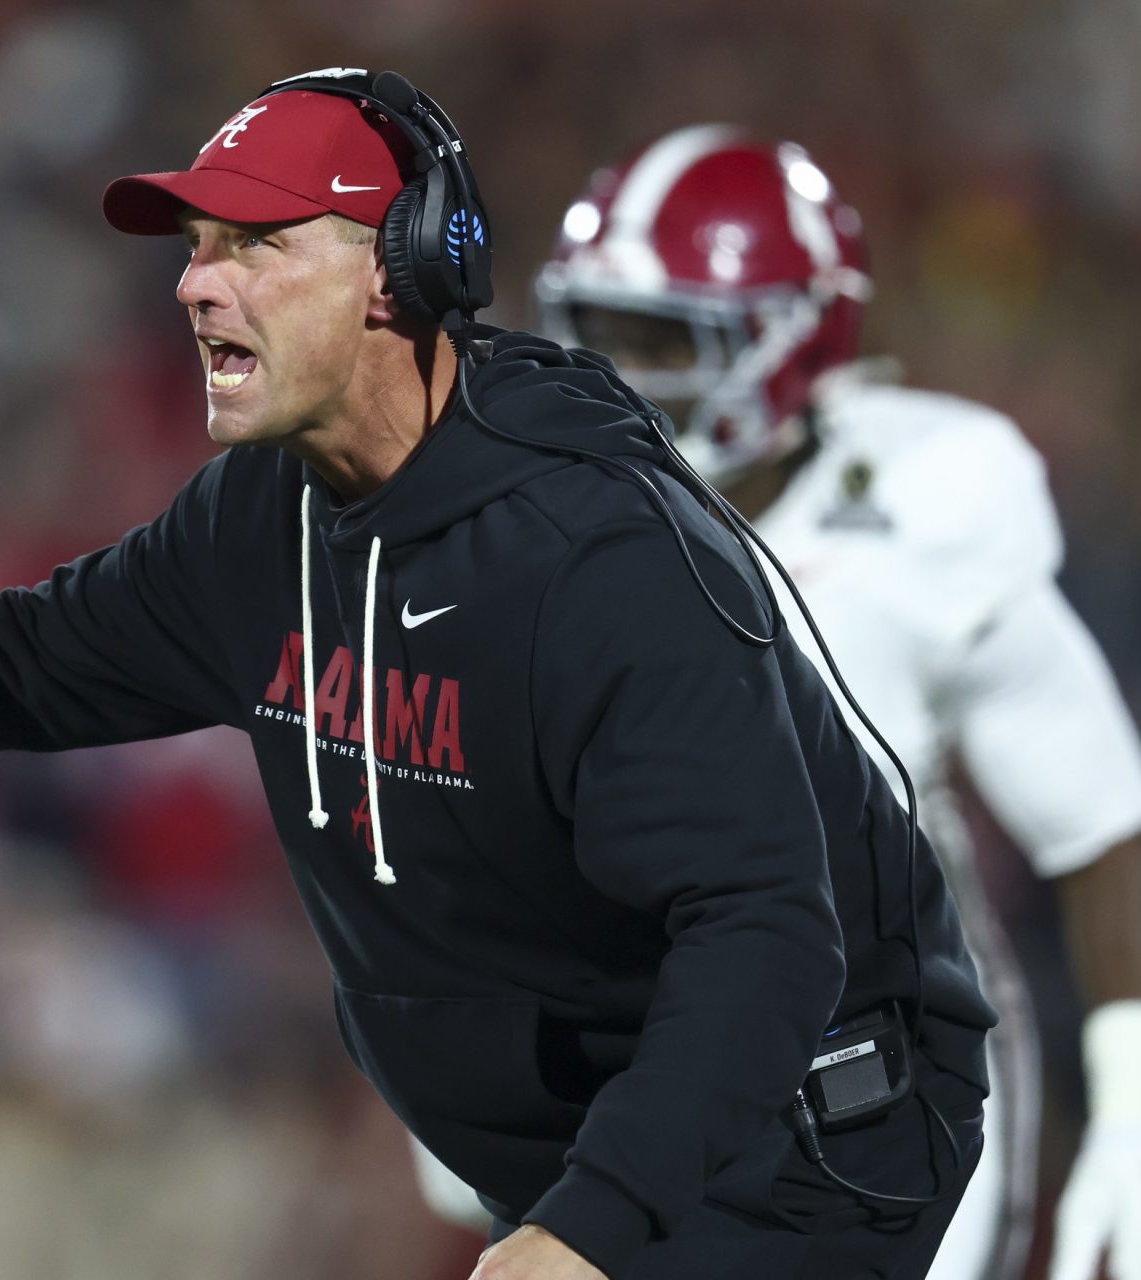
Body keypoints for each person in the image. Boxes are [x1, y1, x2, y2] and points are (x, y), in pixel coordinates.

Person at [0, 75, 994, 1279]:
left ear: (402, 270)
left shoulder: (592, 556)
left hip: (802, 1133)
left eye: (254, 246)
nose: (196, 283)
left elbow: (765, 942)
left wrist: (587, 1234)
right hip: (596, 1143)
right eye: (194, 246)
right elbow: (26, 660)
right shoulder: (263, 512)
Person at [435, 124, 1139, 1280]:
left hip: (881, 1071)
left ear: (791, 343)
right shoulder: (514, 518)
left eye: (664, 339)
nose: (618, 374)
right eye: (599, 331)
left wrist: (1131, 1099)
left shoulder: (925, 514)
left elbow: (1100, 819)